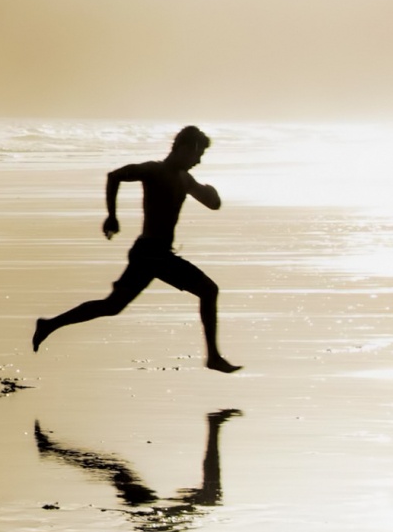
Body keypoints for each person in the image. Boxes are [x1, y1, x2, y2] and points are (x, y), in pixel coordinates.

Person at [32, 125, 240, 372]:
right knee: (208, 290)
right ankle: (213, 357)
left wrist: (211, 193)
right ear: (184, 149)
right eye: (198, 155)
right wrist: (112, 216)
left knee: (112, 306)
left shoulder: (184, 178)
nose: (198, 161)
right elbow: (115, 175)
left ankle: (49, 325)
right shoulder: (154, 170)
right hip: (151, 253)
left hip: (153, 254)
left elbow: (212, 204)